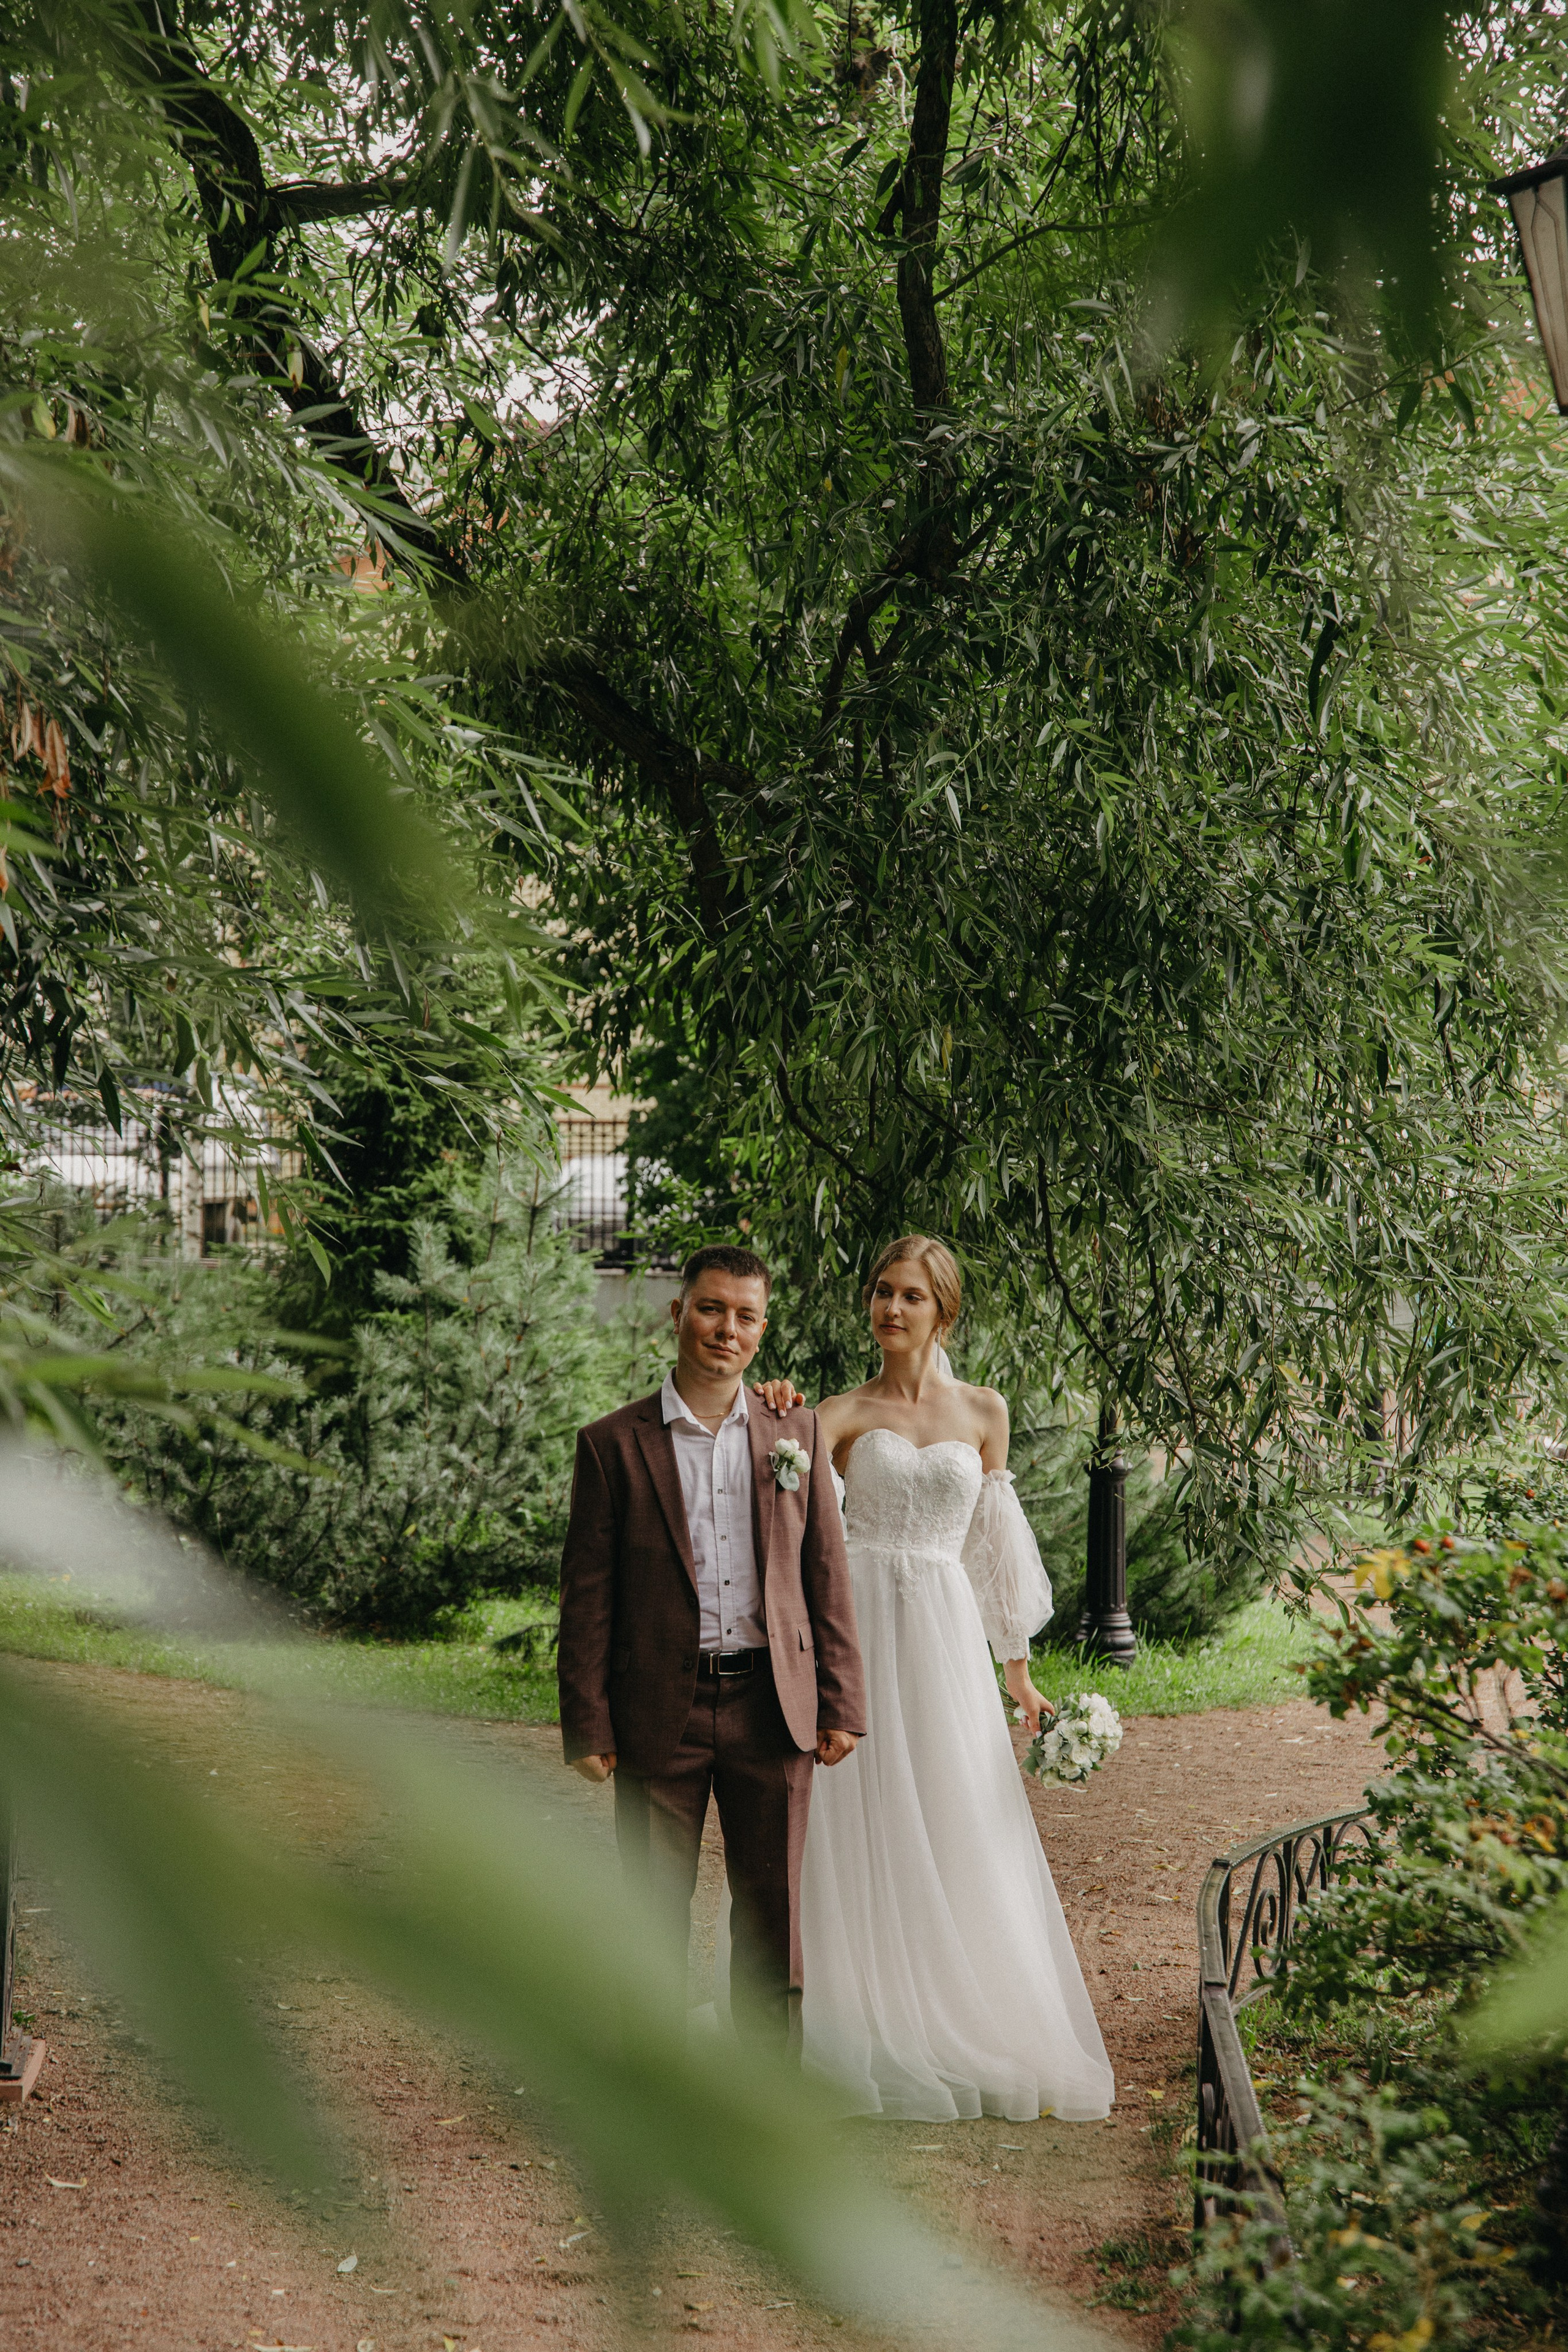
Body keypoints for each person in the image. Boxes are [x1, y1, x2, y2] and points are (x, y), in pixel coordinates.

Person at [753, 1235, 1114, 2122]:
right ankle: (858, 2011)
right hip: (860, 1624)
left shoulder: (985, 1411)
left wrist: (1018, 1677)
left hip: (945, 1635)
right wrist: (775, 1409)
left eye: (911, 1295)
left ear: (943, 1310)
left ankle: (962, 2004)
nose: (891, 1308)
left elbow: (995, 1552)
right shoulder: (836, 1414)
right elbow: (793, 1521)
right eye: (882, 1291)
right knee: (861, 1809)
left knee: (954, 1806)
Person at [556, 1242, 867, 2045]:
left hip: (774, 1707)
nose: (727, 1329)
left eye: (746, 1316)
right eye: (711, 1309)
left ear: (762, 1331)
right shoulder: (612, 1445)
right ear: (678, 1313)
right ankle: (652, 2090)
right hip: (660, 1708)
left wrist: (842, 1701)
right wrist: (586, 1720)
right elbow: (587, 1596)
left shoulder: (795, 1429)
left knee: (772, 1920)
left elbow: (825, 1572)